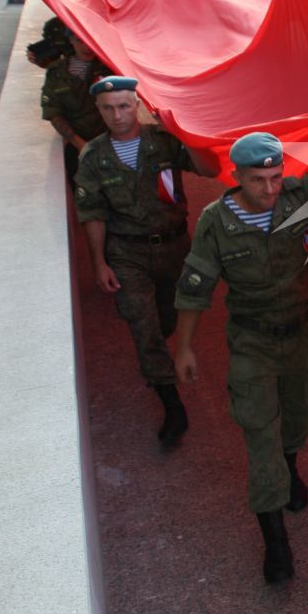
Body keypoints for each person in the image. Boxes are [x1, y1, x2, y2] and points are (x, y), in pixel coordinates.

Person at [173, 112, 308, 584]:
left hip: (300, 335)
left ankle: (290, 466)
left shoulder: (298, 195)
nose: (269, 189)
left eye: (276, 177)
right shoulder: (216, 222)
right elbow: (195, 286)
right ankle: (275, 540)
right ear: (237, 176)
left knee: (297, 415)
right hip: (252, 341)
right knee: (259, 431)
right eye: (259, 180)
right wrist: (183, 348)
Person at [74, 77, 217, 446]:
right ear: (99, 110)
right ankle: (172, 405)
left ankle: (159, 362)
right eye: (108, 108)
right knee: (144, 326)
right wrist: (99, 263)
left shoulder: (165, 143)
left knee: (168, 318)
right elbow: (92, 213)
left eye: (124, 106)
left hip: (174, 247)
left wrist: (184, 134)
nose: (117, 115)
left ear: (136, 105)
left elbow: (208, 169)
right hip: (127, 252)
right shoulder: (93, 155)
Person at [41, 30, 108, 177]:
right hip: (77, 145)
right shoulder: (57, 72)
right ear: (71, 40)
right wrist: (79, 144)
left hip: (111, 142)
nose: (87, 47)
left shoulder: (109, 66)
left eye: (90, 39)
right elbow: (53, 112)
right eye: (80, 40)